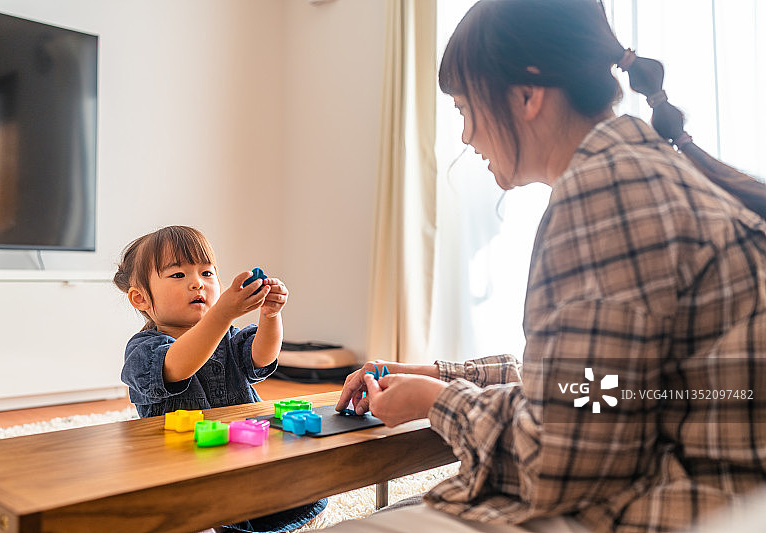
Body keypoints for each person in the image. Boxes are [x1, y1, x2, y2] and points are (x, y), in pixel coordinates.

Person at [328, 1, 766, 532]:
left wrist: (441, 402)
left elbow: (560, 460)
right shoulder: (642, 172)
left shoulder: (606, 196)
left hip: (677, 507)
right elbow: (594, 384)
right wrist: (443, 376)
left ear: (529, 94)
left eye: (465, 109)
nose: (466, 136)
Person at [114, 225, 326, 533]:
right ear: (141, 299)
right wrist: (223, 313)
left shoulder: (229, 336)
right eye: (178, 275)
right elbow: (179, 366)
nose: (196, 284)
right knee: (186, 516)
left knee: (303, 488)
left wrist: (270, 315)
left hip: (242, 457)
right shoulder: (144, 349)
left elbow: (262, 357)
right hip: (183, 470)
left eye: (207, 273)